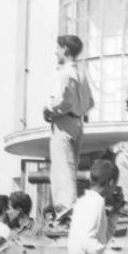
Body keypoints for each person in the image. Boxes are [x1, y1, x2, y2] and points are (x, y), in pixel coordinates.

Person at [43, 35, 94, 215]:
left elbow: (62, 101)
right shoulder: (81, 74)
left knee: (62, 168)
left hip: (64, 123)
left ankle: (66, 210)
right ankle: (67, 208)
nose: (56, 51)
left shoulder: (64, 72)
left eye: (58, 48)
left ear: (65, 49)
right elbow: (90, 103)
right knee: (70, 168)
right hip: (77, 123)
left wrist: (48, 109)